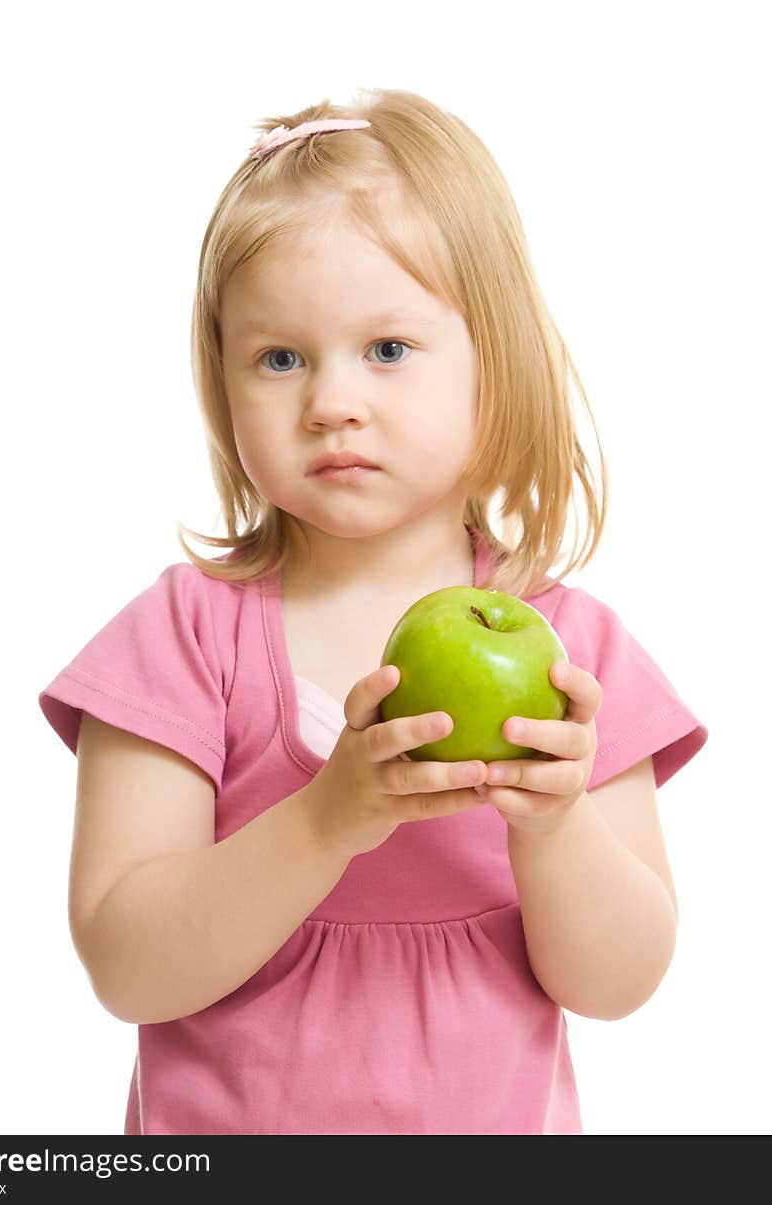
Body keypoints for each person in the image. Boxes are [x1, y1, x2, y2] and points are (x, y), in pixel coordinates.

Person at [38, 88, 709, 1135]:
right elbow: (128, 966)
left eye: (388, 348)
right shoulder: (183, 636)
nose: (330, 400)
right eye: (279, 357)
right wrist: (324, 818)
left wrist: (555, 821)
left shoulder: (574, 656)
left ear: (497, 360)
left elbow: (618, 982)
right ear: (221, 384)